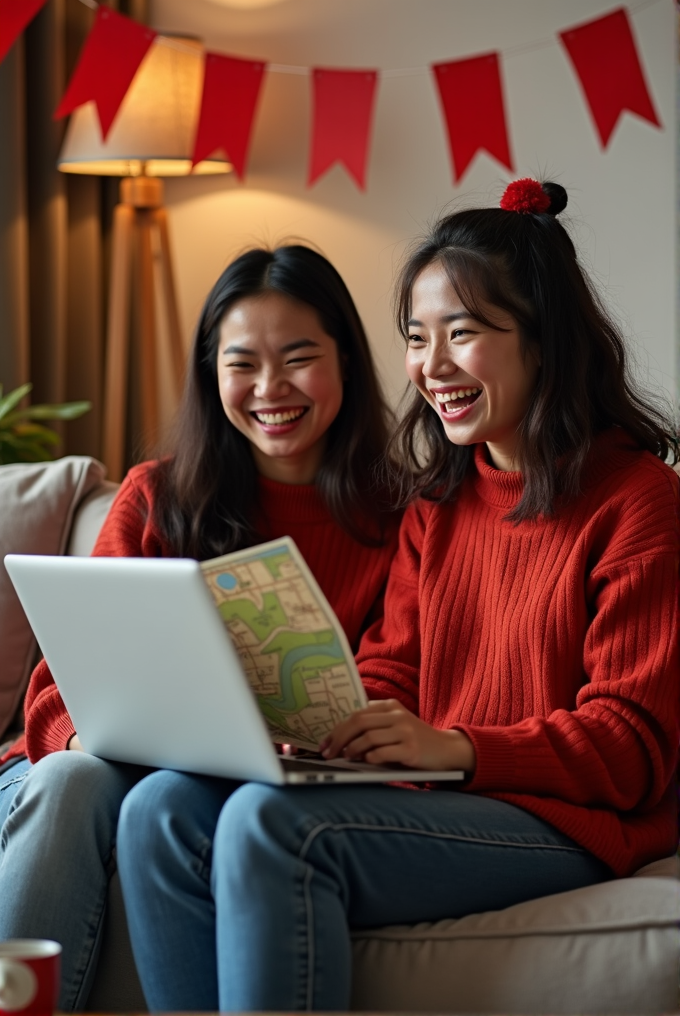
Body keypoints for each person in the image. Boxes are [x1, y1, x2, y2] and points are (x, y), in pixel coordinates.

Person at [116, 179, 679, 1013]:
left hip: (568, 822)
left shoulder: (640, 502)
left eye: (464, 334)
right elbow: (393, 671)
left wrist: (456, 746)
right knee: (160, 809)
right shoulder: (440, 505)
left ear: (544, 343)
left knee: (272, 831)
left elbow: (631, 749)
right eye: (417, 338)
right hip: (442, 798)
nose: (431, 366)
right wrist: (330, 733)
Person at [0, 244, 400, 1011]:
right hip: (97, 771)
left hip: (250, 790)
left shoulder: (400, 519)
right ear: (211, 374)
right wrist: (107, 738)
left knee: (161, 802)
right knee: (76, 776)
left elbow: (393, 682)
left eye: (298, 358)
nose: (269, 388)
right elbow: (55, 694)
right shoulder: (160, 497)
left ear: (347, 361)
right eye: (241, 363)